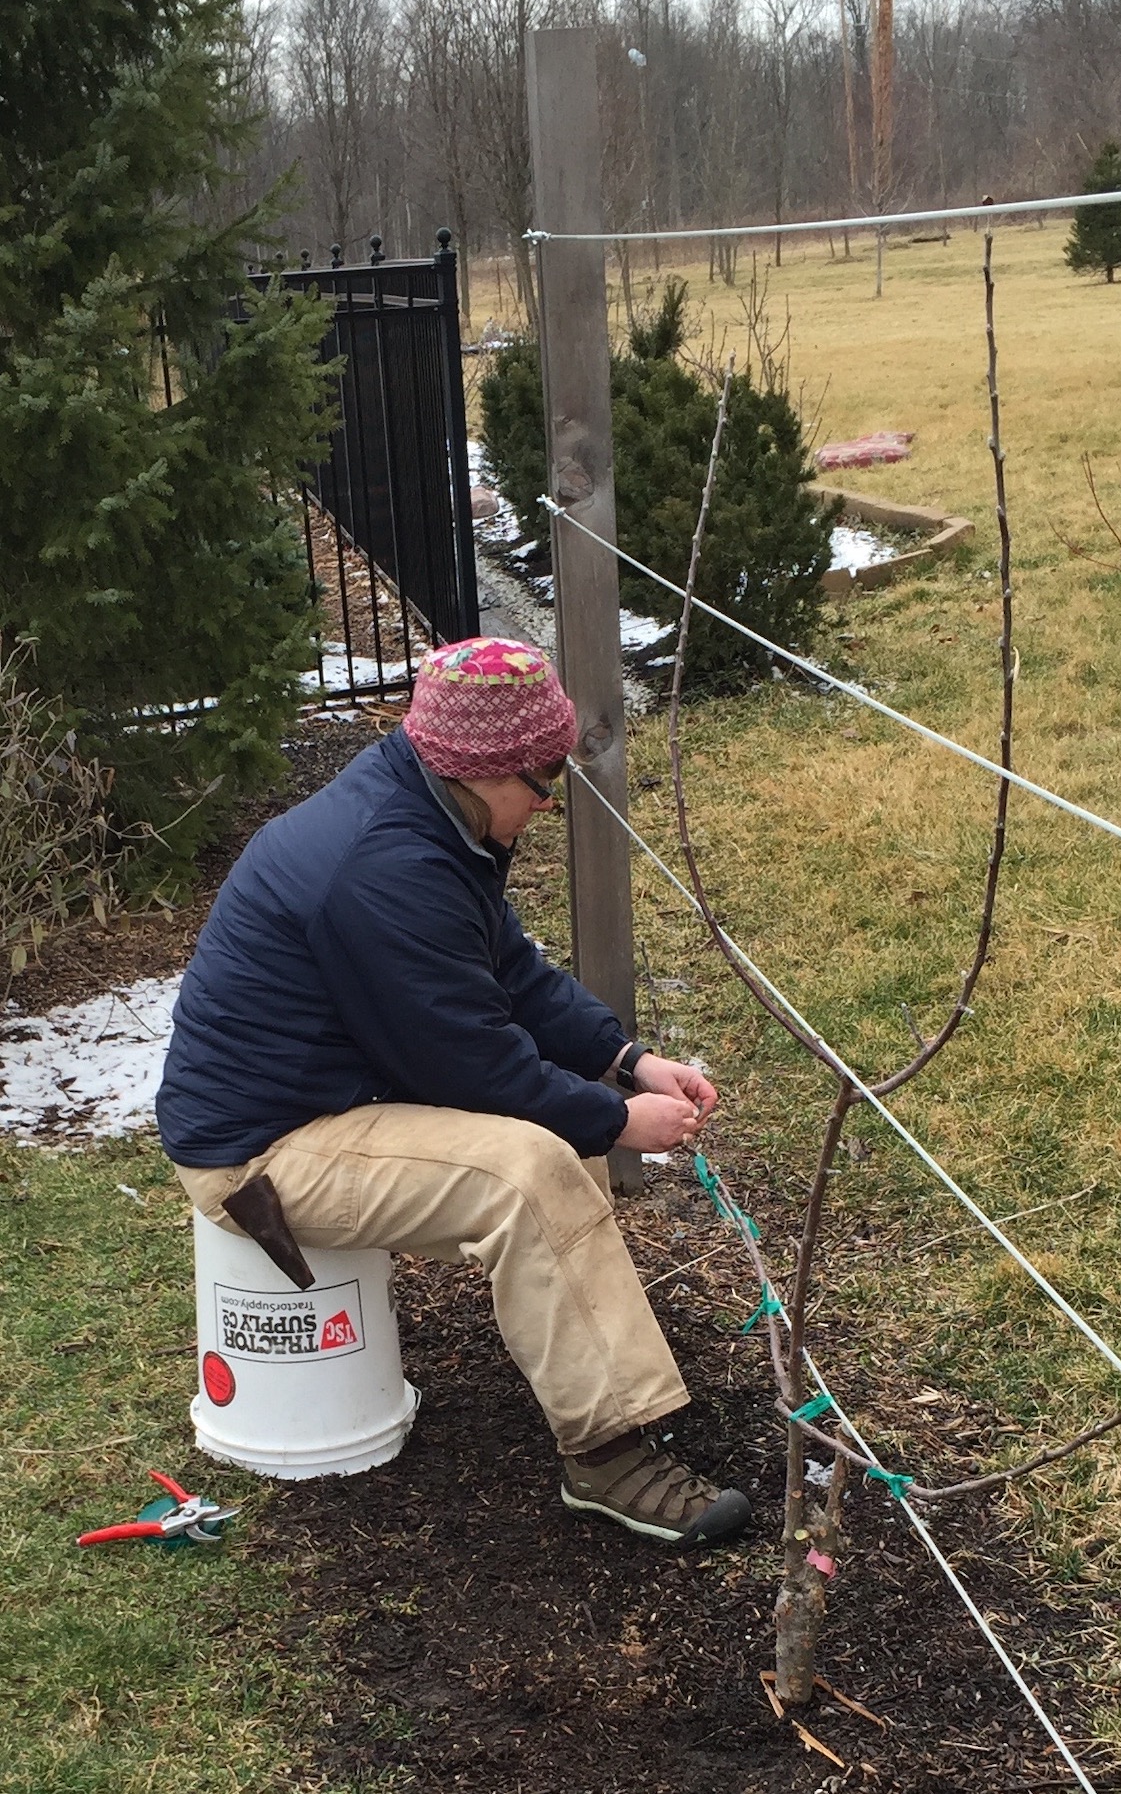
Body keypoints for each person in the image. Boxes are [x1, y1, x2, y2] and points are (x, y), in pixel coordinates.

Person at [157, 635, 752, 1551]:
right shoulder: (383, 867)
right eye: (541, 776)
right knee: (524, 1169)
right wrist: (620, 1120)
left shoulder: (426, 812)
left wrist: (624, 1058)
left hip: (323, 1098)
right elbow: (473, 1064)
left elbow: (507, 969)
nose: (551, 799)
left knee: (549, 1148)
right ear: (479, 766)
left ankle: (605, 1369)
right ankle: (608, 1458)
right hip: (256, 1154)